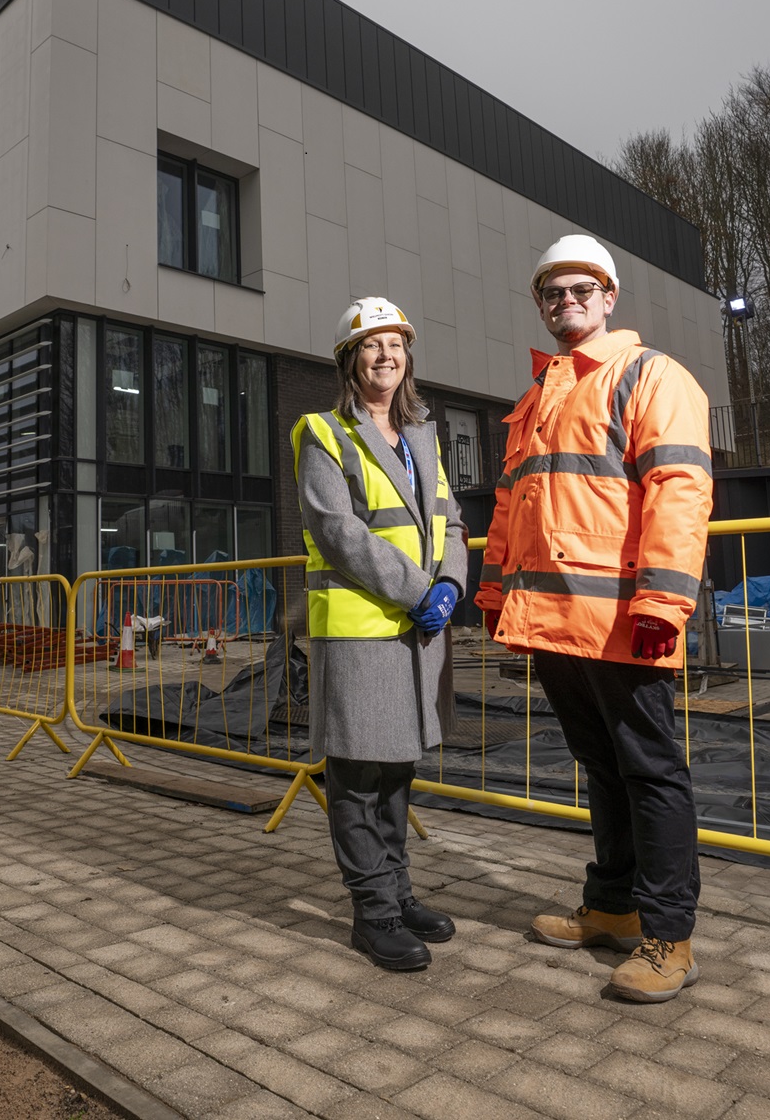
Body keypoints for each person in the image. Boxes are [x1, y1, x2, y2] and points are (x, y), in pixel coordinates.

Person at [477, 235, 713, 1003]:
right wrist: (494, 596)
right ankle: (613, 906)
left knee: (649, 771)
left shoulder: (650, 375)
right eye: (553, 293)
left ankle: (670, 938)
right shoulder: (539, 395)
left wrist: (662, 603)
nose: (566, 302)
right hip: (554, 623)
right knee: (604, 767)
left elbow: (680, 491)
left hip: (622, 621)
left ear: (609, 297)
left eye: (581, 290)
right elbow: (511, 507)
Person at [292, 297, 468, 971]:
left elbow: (451, 522)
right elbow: (339, 534)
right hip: (363, 634)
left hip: (415, 638)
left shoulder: (422, 437)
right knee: (357, 778)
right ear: (349, 359)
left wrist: (451, 584)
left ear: (407, 357)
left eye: (395, 344)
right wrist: (422, 591)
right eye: (371, 345)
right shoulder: (323, 434)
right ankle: (373, 914)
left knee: (398, 772)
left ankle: (397, 891)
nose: (385, 355)